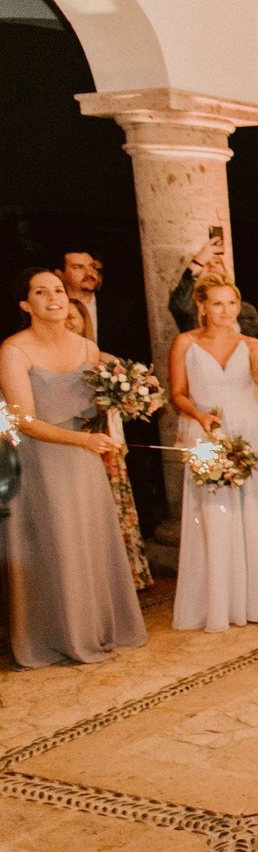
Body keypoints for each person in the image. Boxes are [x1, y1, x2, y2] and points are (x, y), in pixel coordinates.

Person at [1, 268, 146, 666]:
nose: (54, 298)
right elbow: (24, 420)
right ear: (25, 304)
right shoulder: (15, 350)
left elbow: (120, 383)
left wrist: (137, 393)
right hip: (42, 459)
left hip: (85, 459)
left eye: (59, 290)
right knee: (57, 543)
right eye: (41, 292)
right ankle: (56, 636)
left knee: (89, 540)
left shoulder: (86, 348)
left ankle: (97, 628)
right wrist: (83, 440)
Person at [169, 276, 258, 631]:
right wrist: (201, 418)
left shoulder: (250, 342)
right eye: (218, 303)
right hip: (209, 430)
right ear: (202, 306)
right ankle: (221, 601)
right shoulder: (184, 343)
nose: (226, 311)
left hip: (252, 431)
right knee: (216, 513)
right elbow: (178, 393)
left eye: (231, 303)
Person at [64, 296, 152, 590]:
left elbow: (141, 396)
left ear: (83, 322)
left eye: (72, 317)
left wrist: (131, 400)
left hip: (104, 447)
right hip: (68, 445)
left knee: (113, 512)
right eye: (62, 316)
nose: (67, 322)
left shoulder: (104, 360)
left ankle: (124, 579)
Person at [168, 232, 258, 343]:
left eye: (217, 262)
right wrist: (198, 261)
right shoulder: (192, 309)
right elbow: (179, 305)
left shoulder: (247, 311)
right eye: (206, 264)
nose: (212, 266)